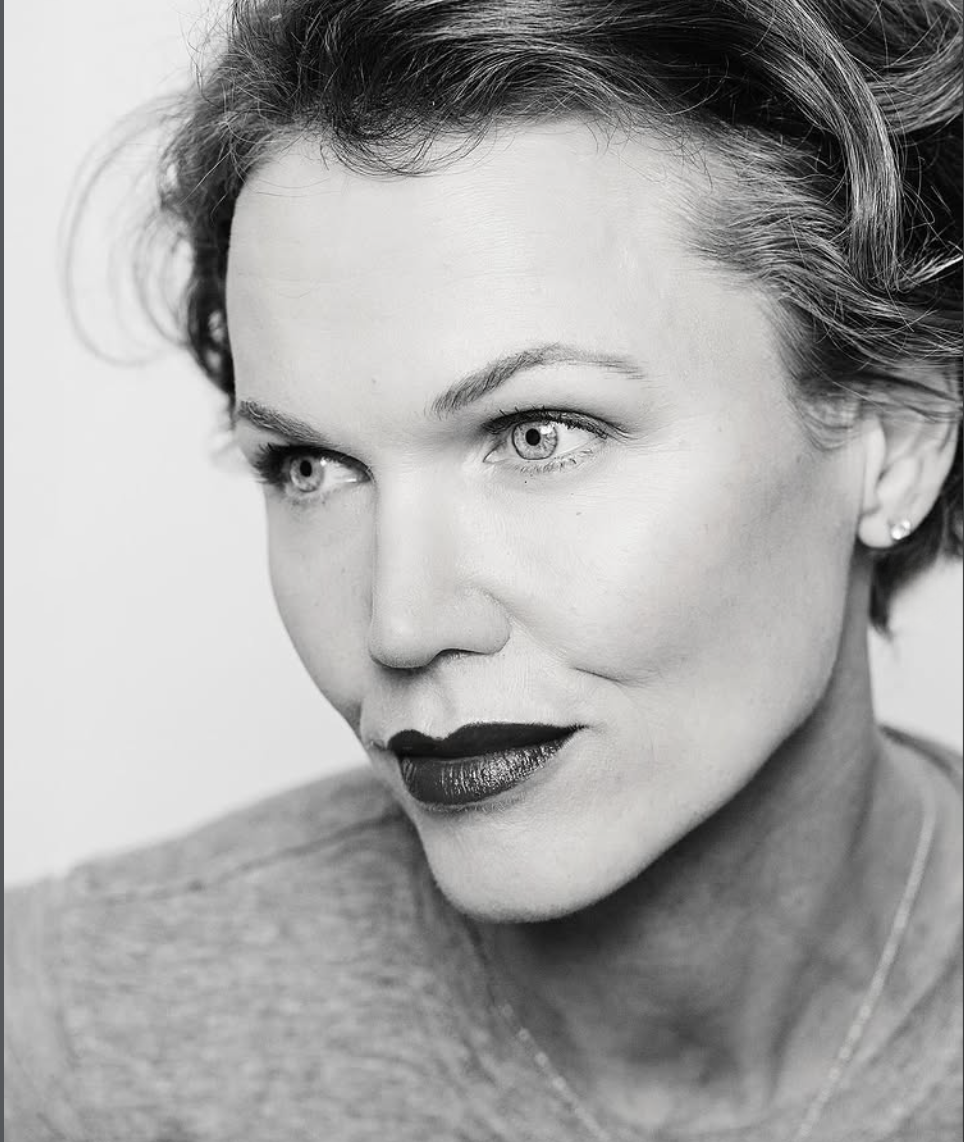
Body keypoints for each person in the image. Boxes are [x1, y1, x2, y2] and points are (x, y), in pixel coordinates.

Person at [5, 0, 962, 1139]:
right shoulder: (77, 1039)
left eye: (537, 433)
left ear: (894, 438)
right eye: (308, 464)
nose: (398, 622)